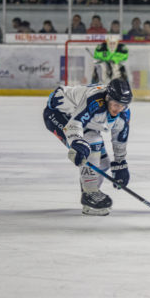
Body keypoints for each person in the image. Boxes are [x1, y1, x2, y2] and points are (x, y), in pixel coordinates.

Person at [43, 79, 132, 216]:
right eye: (115, 104)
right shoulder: (95, 102)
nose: (118, 109)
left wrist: (120, 162)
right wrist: (77, 142)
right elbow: (75, 123)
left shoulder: (123, 113)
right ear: (108, 98)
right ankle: (90, 193)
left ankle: (90, 194)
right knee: (91, 142)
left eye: (122, 106)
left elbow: (120, 138)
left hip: (83, 122)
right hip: (58, 114)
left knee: (103, 163)